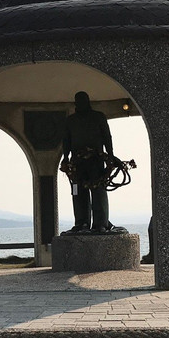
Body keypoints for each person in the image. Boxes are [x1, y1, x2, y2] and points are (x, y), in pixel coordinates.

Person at [60, 91, 116, 234]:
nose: (81, 104)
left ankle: (101, 222)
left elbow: (107, 137)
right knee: (77, 192)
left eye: (83, 101)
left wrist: (110, 155)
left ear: (88, 102)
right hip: (77, 163)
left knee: (98, 191)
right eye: (78, 101)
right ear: (75, 103)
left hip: (96, 161)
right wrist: (65, 158)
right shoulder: (70, 120)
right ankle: (81, 222)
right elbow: (66, 140)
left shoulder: (98, 117)